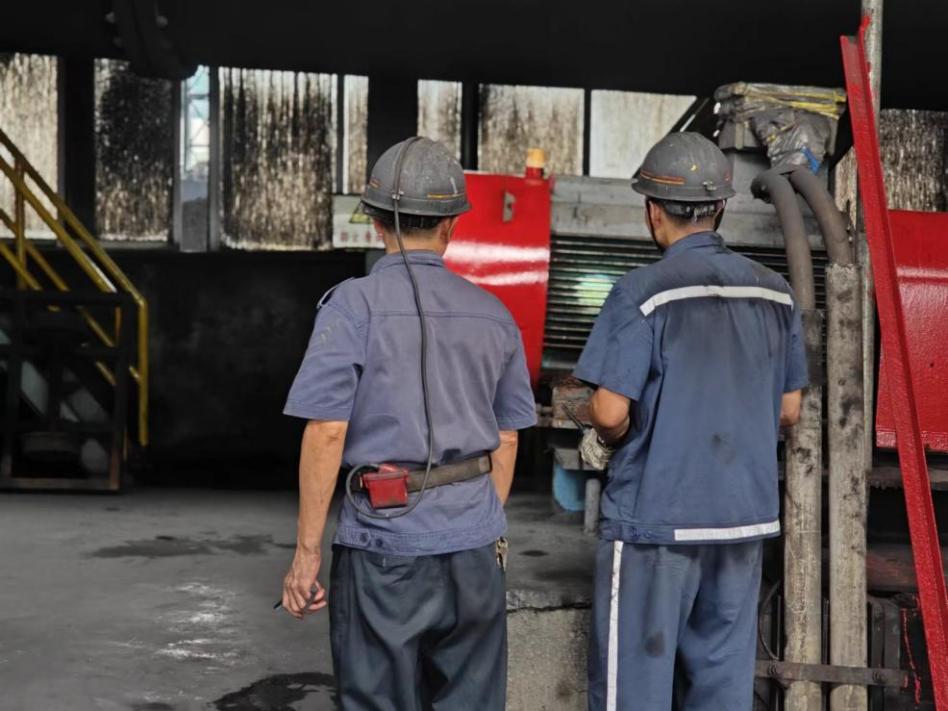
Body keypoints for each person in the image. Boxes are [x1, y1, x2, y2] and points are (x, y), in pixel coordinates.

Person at [279, 136, 537, 710]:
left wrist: (307, 554)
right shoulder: (495, 315)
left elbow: (326, 431)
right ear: (451, 227)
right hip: (474, 551)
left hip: (384, 546)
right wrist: (479, 523)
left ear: (375, 222)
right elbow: (510, 436)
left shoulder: (351, 306)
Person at [576, 132, 809, 710]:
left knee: (633, 690)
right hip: (741, 523)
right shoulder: (777, 294)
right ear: (722, 207)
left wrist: (611, 437)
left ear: (653, 211)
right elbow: (789, 409)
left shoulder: (642, 293)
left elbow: (608, 411)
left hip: (656, 521)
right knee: (721, 691)